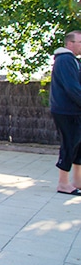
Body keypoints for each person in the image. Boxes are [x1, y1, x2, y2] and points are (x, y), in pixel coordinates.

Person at [49, 30, 81, 196]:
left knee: (78, 144)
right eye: (80, 42)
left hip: (73, 110)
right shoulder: (65, 60)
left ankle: (77, 180)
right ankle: (63, 182)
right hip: (66, 110)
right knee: (69, 143)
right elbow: (72, 88)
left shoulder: (73, 61)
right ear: (70, 43)